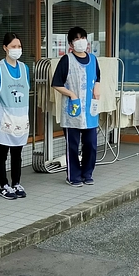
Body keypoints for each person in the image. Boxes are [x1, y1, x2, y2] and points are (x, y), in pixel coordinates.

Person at [51, 26, 101, 187]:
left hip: (90, 111)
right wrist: (72, 94)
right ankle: (73, 176)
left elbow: (97, 77)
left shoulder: (93, 59)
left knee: (91, 144)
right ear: (71, 44)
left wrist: (97, 86)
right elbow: (56, 83)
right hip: (72, 110)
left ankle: (87, 173)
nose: (80, 41)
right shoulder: (66, 60)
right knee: (72, 145)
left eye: (83, 38)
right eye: (76, 39)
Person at [0, 32, 30, 200]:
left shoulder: (24, 68)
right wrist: (2, 111)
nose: (16, 49)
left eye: (19, 46)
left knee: (17, 154)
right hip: (5, 118)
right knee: (2, 153)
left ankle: (16, 183)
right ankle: (3, 184)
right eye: (13, 46)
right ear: (5, 48)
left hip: (21, 117)